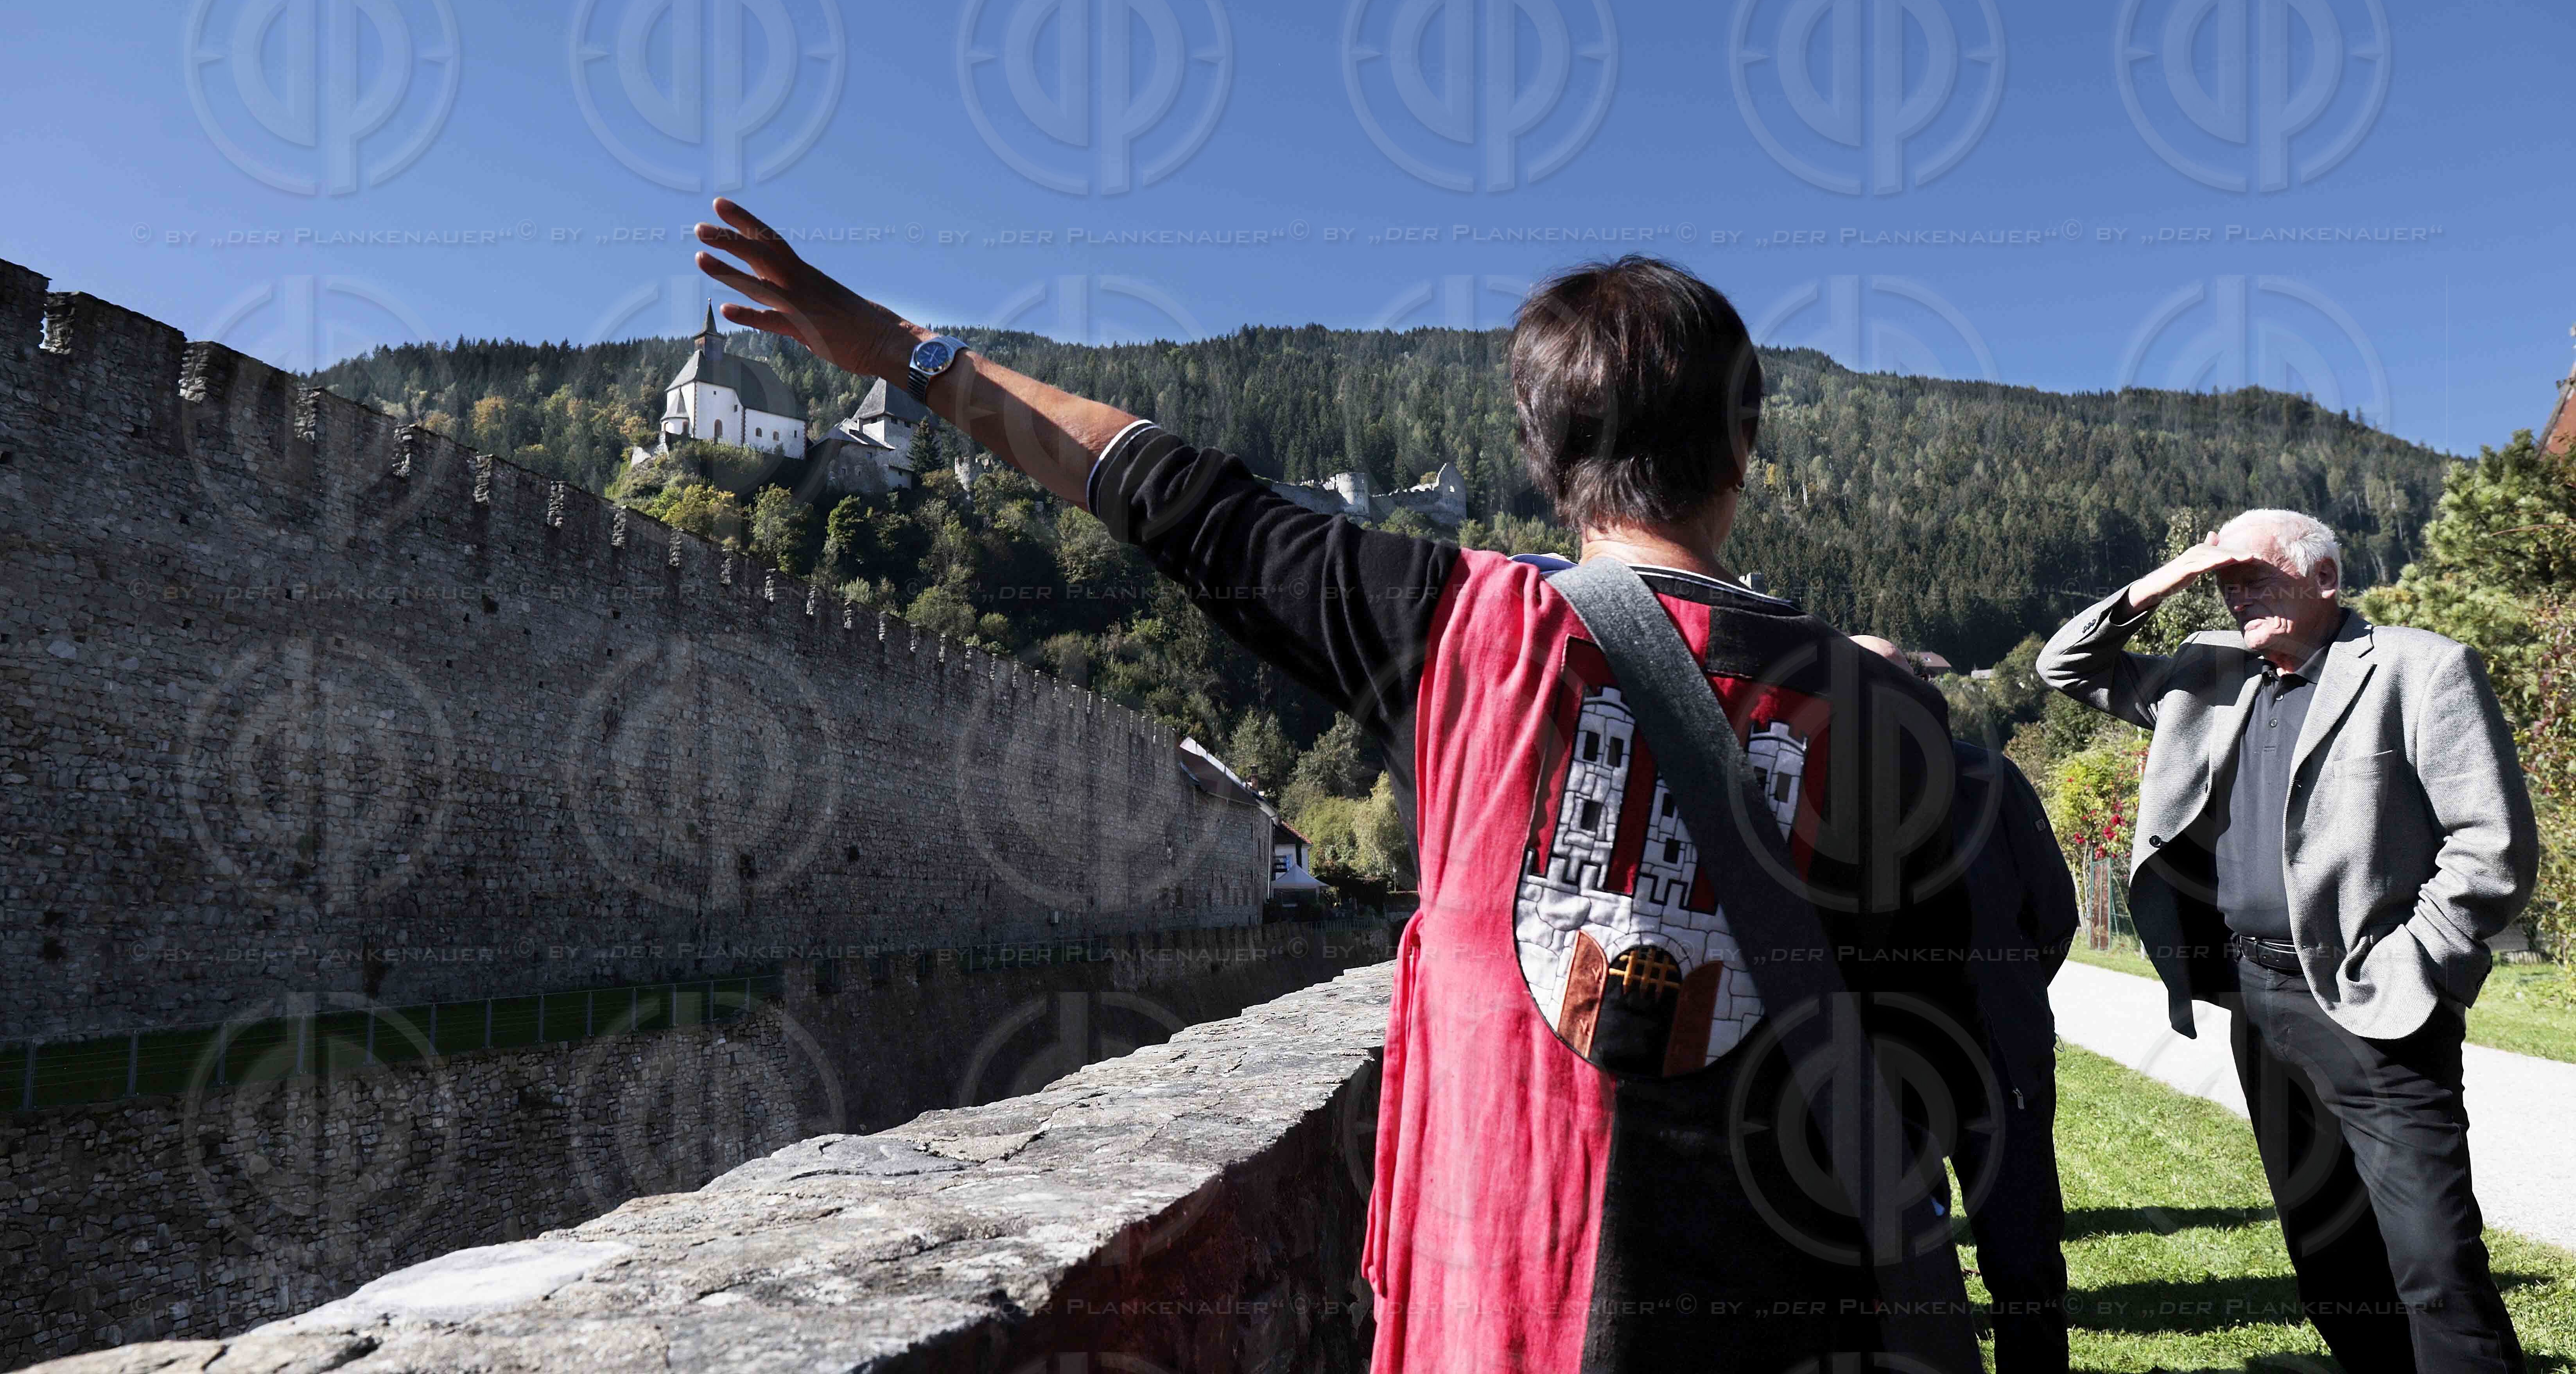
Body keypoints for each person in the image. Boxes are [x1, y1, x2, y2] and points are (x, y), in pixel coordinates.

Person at [689, 199, 1988, 1372]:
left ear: (1542, 458)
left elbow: (1159, 490)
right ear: (1740, 449)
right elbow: (1931, 1083)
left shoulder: (1458, 629)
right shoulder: (1888, 721)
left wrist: (907, 354)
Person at [2038, 509, 2537, 1374]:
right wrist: (2174, 576)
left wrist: (2414, 958)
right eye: (2225, 583)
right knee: (2326, 1252)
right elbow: (2064, 665)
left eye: (2254, 577)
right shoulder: (2209, 673)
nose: (2236, 596)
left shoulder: (2421, 669)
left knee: (2434, 1258)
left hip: (2377, 999)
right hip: (2256, 997)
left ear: (2326, 579)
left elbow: (2492, 846)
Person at [1853, 637, 2074, 1374]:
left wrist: (2006, 995)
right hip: (1883, 1066)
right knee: (1899, 1265)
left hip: (1997, 1058)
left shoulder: (1988, 777)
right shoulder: (1823, 787)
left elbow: (2052, 913)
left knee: (2022, 1256)